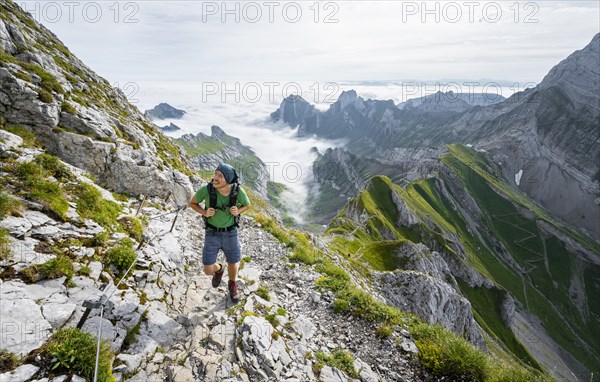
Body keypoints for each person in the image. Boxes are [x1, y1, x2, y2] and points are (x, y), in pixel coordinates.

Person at [189, 163, 250, 302]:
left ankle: (232, 284)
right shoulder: (206, 190)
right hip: (212, 233)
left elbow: (247, 204)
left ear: (228, 180)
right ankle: (219, 269)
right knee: (208, 270)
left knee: (233, 262)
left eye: (220, 176)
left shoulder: (238, 192)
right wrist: (204, 212)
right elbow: (192, 203)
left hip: (231, 233)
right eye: (215, 174)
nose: (215, 178)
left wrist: (238, 211)